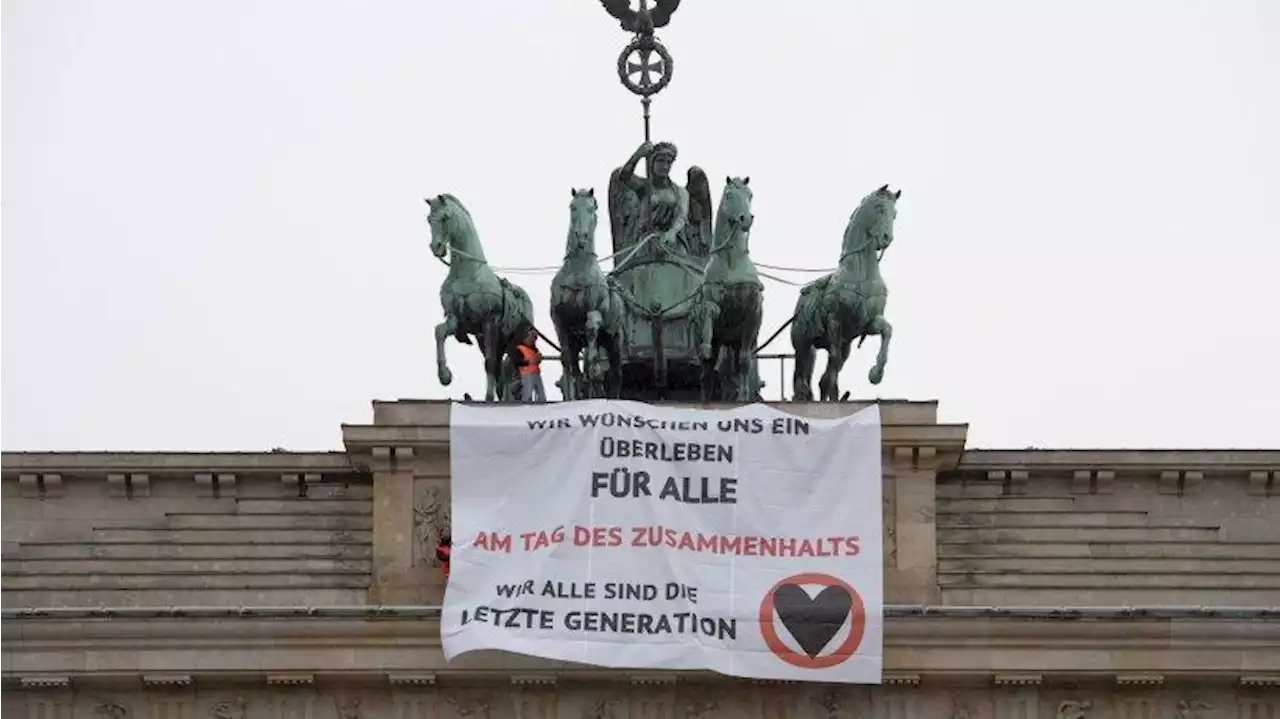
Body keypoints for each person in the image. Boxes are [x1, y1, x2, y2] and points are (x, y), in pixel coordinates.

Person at [515, 328, 546, 403]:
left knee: (541, 394)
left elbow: (536, 360)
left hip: (536, 373)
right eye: (532, 336)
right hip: (526, 374)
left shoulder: (535, 349)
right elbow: (517, 362)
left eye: (535, 337)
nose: (533, 339)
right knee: (527, 394)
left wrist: (538, 359)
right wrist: (529, 362)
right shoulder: (520, 348)